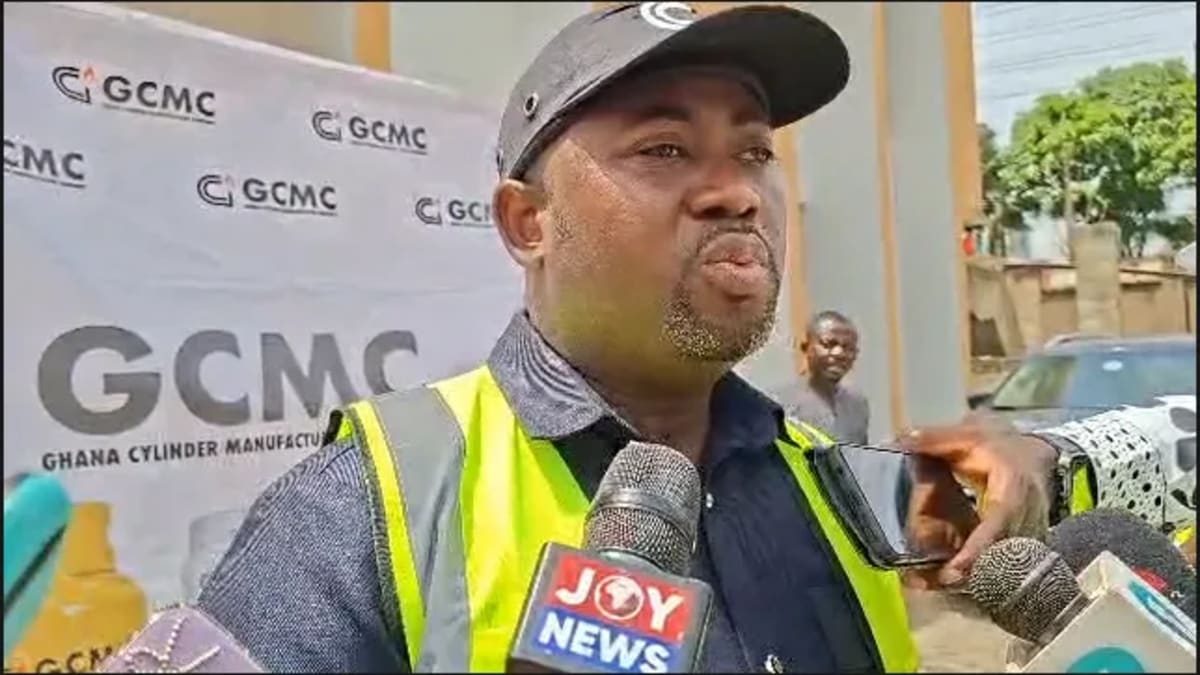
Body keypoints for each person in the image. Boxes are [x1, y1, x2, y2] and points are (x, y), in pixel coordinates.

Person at [196, 4, 1083, 672]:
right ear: (527, 222)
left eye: (754, 152)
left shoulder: (836, 485)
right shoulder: (359, 505)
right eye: (663, 149)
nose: (735, 191)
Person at [781, 310, 870, 444]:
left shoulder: (858, 404)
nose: (839, 353)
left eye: (848, 347)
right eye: (829, 344)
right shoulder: (781, 404)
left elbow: (859, 460)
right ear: (806, 348)